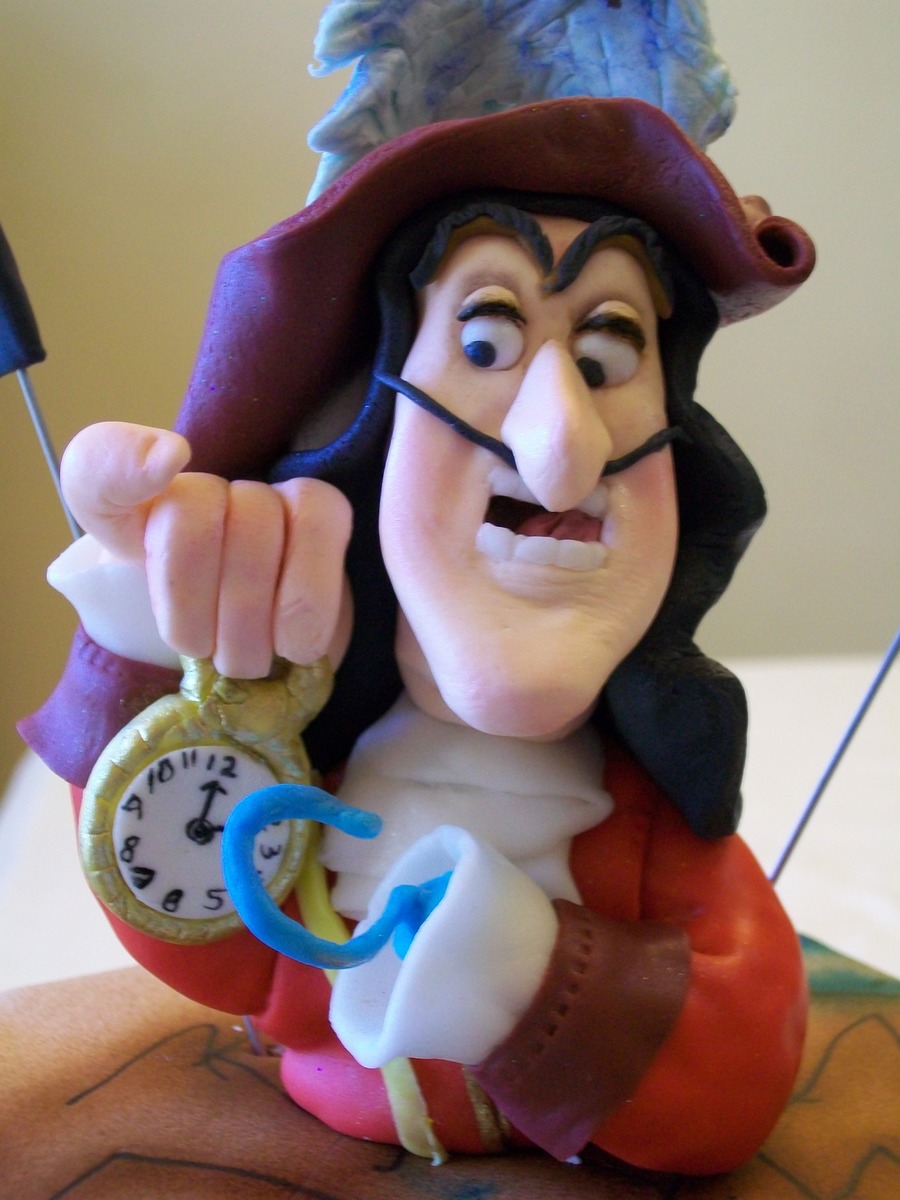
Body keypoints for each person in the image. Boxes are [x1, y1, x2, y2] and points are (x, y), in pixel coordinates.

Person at [21, 97, 815, 1174]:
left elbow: (739, 1064)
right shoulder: (317, 777)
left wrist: (524, 971)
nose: (560, 451)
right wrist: (147, 647)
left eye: (606, 355)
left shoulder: (649, 824)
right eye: (484, 342)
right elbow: (206, 940)